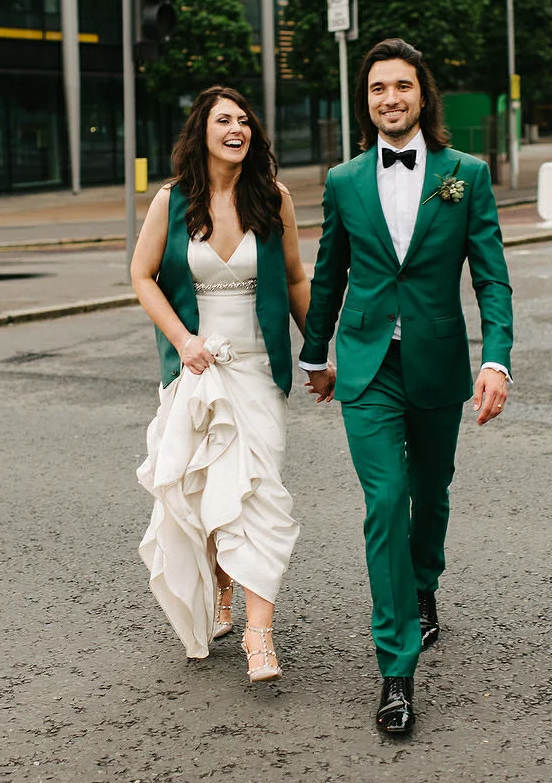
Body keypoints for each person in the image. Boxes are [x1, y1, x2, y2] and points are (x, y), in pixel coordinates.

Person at [300, 38, 514, 735]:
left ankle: (425, 583)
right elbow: (328, 273)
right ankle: (396, 668)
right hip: (365, 363)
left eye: (400, 86)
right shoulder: (344, 180)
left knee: (431, 489)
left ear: (422, 94)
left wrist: (496, 359)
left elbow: (491, 276)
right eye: (375, 89)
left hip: (436, 360)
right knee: (386, 500)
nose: (388, 98)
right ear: (365, 102)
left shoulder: (464, 175)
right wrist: (315, 356)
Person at [130, 85, 312, 683]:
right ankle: (220, 585)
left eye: (244, 121)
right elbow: (142, 274)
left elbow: (293, 278)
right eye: (223, 120)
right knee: (206, 490)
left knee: (260, 493)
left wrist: (319, 353)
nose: (236, 129)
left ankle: (260, 634)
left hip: (260, 370)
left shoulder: (273, 198)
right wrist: (183, 341)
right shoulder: (172, 201)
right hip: (197, 372)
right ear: (201, 132)